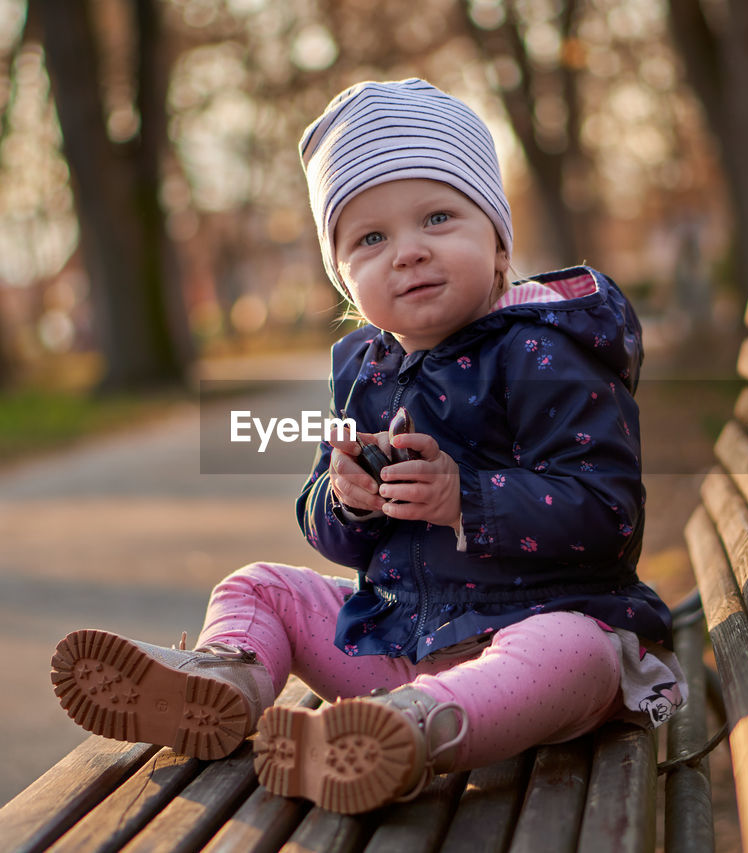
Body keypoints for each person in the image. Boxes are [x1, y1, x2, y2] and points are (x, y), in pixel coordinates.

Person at [50, 78, 685, 815]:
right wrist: (344, 500)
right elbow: (329, 532)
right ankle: (225, 685)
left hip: (536, 645)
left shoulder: (544, 352)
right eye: (371, 238)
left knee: (575, 649)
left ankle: (408, 732)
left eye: (438, 217)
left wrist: (466, 501)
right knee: (259, 585)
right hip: (401, 641)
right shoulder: (368, 369)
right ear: (344, 275)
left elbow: (609, 513)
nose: (408, 252)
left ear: (499, 238)